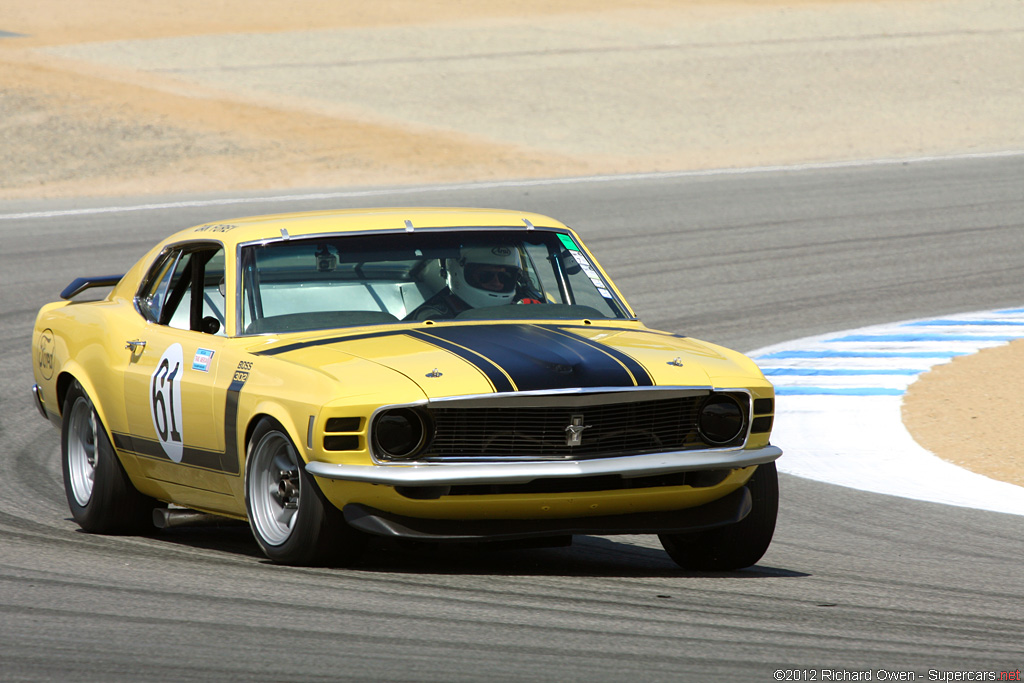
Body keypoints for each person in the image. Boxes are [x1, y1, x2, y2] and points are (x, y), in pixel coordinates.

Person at [408, 244, 535, 320]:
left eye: (505, 277)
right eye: (485, 276)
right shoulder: (433, 317)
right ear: (458, 273)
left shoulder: (525, 310)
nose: (497, 283)